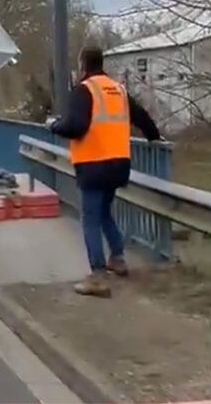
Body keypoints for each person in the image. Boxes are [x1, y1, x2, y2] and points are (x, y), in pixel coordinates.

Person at [48, 45, 162, 298]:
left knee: (89, 219)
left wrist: (55, 126)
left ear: (82, 65)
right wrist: (155, 137)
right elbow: (141, 117)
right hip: (119, 164)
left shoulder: (84, 90)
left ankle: (97, 277)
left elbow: (76, 126)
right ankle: (118, 258)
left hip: (93, 164)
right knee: (104, 212)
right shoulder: (118, 90)